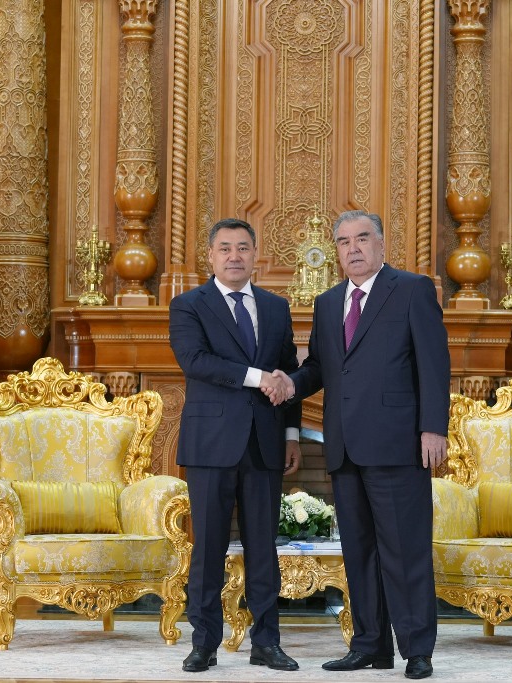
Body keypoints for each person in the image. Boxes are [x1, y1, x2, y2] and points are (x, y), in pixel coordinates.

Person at [273, 210, 449, 680]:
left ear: (381, 244)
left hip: (399, 444)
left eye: (362, 238)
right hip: (345, 446)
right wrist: (290, 384)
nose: (353, 248)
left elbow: (434, 363)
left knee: (405, 551)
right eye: (344, 241)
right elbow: (320, 367)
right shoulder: (329, 302)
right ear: (336, 251)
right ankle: (370, 645)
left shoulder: (411, 289)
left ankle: (417, 650)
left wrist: (434, 428)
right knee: (359, 552)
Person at [169, 218, 301, 673]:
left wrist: (291, 434)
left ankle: (267, 642)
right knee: (208, 547)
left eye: (242, 248)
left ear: (255, 255)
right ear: (210, 256)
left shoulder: (276, 307)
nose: (234, 256)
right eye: (224, 248)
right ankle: (204, 643)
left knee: (264, 547)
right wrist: (258, 377)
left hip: (265, 442)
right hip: (211, 445)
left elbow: (288, 375)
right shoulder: (188, 305)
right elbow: (196, 361)